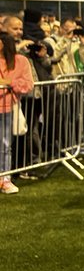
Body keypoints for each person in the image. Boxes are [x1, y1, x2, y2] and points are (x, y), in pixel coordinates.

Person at [0, 32, 34, 193]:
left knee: (5, 145)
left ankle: (5, 179)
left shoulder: (20, 61)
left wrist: (9, 83)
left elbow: (28, 85)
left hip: (7, 108)